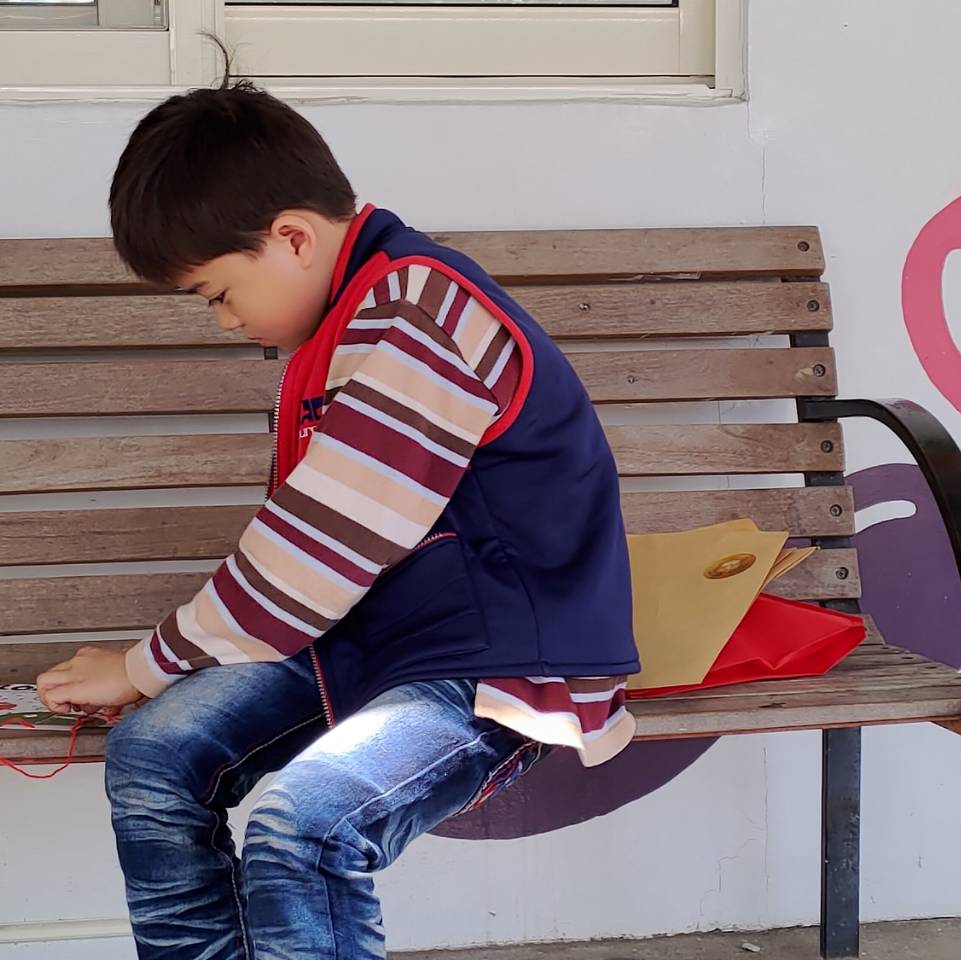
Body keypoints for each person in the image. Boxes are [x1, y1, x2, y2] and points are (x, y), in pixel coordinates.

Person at [35, 72, 639, 960]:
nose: (222, 321)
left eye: (216, 293)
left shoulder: (419, 316)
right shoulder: (350, 317)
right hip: (368, 644)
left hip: (499, 667)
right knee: (153, 757)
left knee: (305, 824)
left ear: (292, 238)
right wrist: (155, 676)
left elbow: (312, 556)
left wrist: (142, 665)